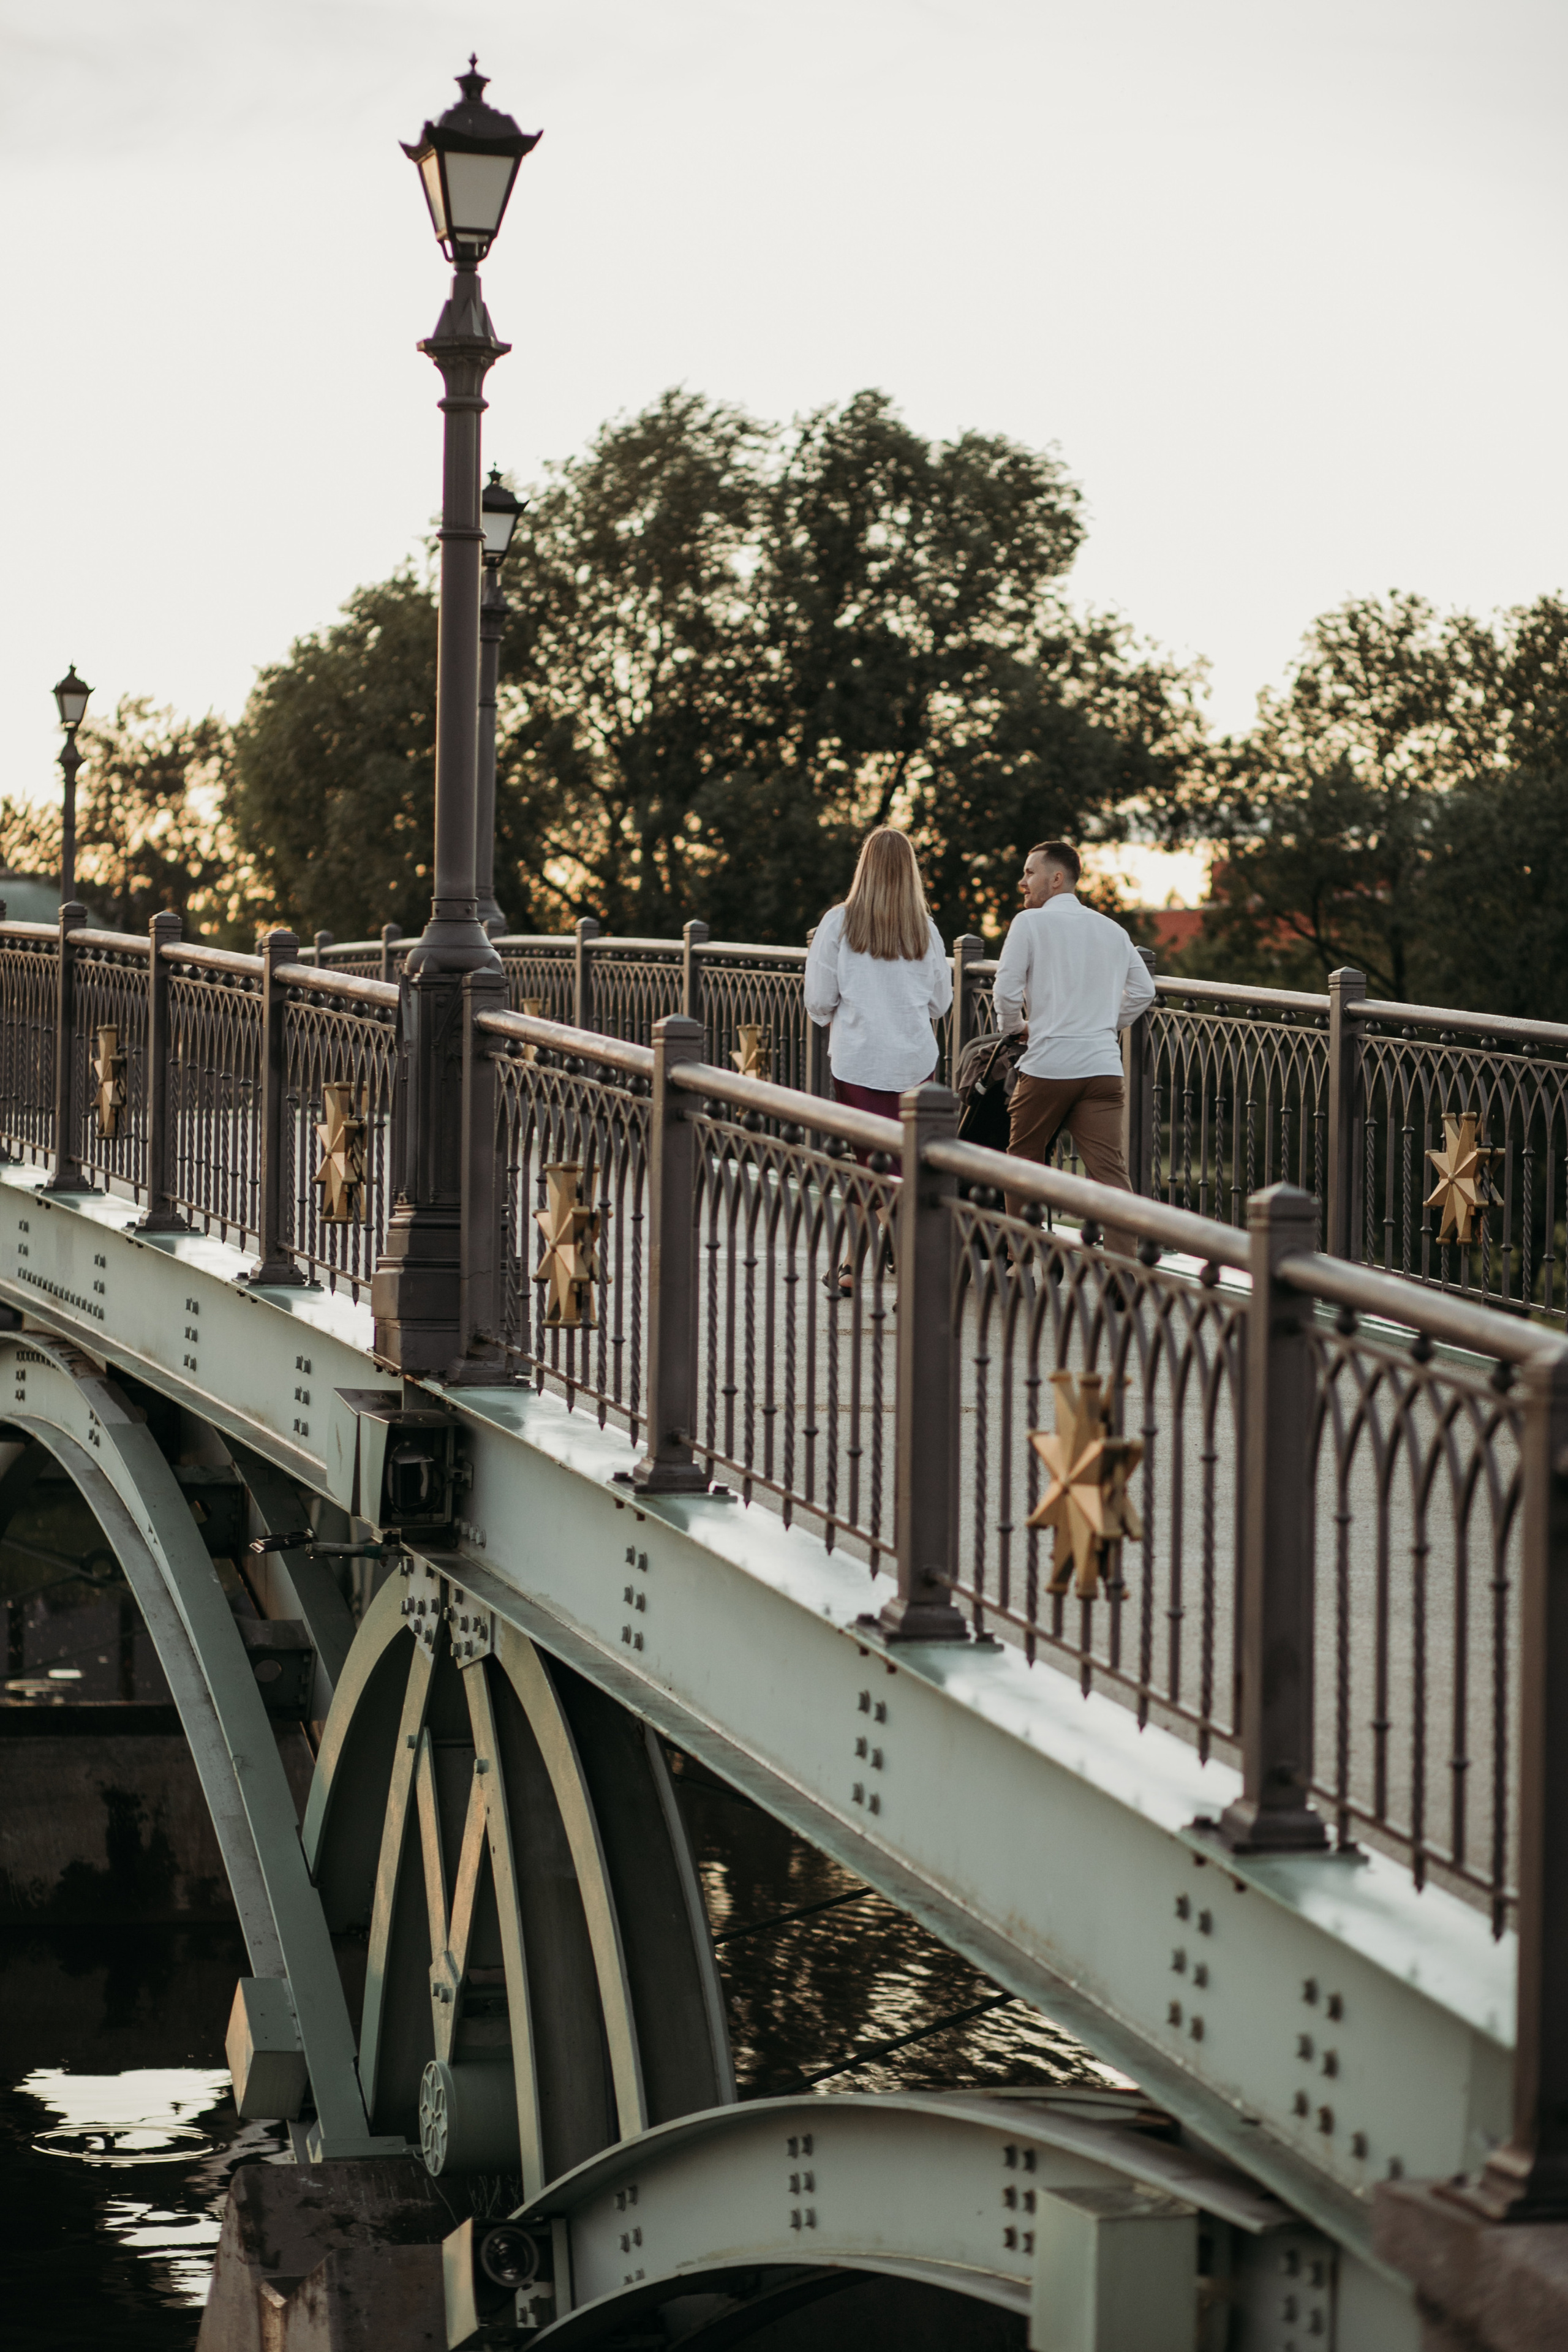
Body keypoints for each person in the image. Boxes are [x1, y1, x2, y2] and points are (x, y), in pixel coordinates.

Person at [805, 828, 952, 1291]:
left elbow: (819, 1000)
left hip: (859, 1063)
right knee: (894, 1167)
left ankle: (911, 1261)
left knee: (872, 1164)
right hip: (914, 1065)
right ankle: (849, 1267)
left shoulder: (838, 923)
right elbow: (940, 1003)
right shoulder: (926, 929)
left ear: (863, 867)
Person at [992, 839, 1155, 1256]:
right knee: (1109, 1171)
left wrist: (1016, 1030)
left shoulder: (1029, 925)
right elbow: (1143, 991)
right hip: (1102, 1068)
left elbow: (1006, 991)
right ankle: (1123, 1264)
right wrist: (1103, 1025)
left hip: (1049, 1066)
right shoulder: (1112, 930)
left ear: (1057, 878)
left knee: (1023, 1158)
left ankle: (1021, 1252)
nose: (1023, 882)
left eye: (1030, 873)